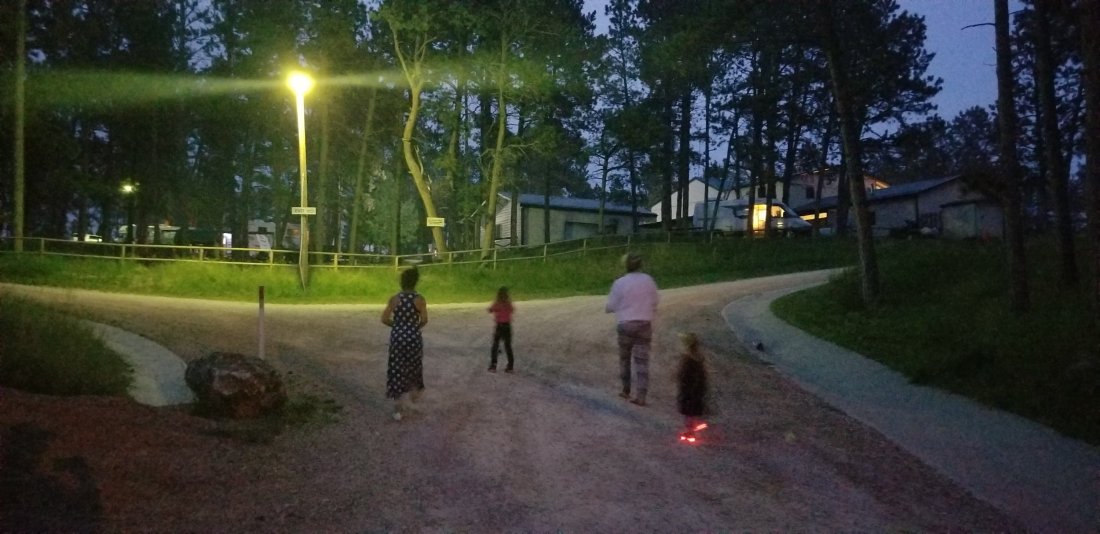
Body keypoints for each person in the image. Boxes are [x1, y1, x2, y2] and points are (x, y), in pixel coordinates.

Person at [605, 252, 659, 406]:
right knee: (642, 361)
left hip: (625, 324)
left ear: (626, 265)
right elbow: (655, 301)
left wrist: (612, 308)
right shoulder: (648, 280)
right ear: (640, 265)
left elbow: (611, 306)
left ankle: (626, 389)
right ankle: (641, 395)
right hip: (644, 324)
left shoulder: (620, 283)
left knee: (625, 358)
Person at [381, 267, 428, 421]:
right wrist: (413, 328)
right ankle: (415, 391)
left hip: (397, 337)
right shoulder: (419, 299)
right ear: (415, 282)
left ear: (401, 282)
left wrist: (397, 326)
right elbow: (424, 320)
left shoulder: (394, 299)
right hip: (413, 337)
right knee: (414, 365)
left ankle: (397, 409)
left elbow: (384, 319)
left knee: (396, 369)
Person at [676, 332, 709, 442]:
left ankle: (690, 431)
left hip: (689, 389)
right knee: (692, 411)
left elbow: (683, 374)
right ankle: (691, 429)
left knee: (688, 411)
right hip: (697, 389)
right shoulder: (698, 359)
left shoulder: (688, 359)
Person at [487, 286, 515, 373]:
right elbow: (512, 310)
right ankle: (510, 366)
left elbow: (490, 310)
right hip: (507, 326)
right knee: (508, 346)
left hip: (499, 326)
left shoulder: (497, 303)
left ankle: (493, 365)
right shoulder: (508, 303)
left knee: (495, 345)